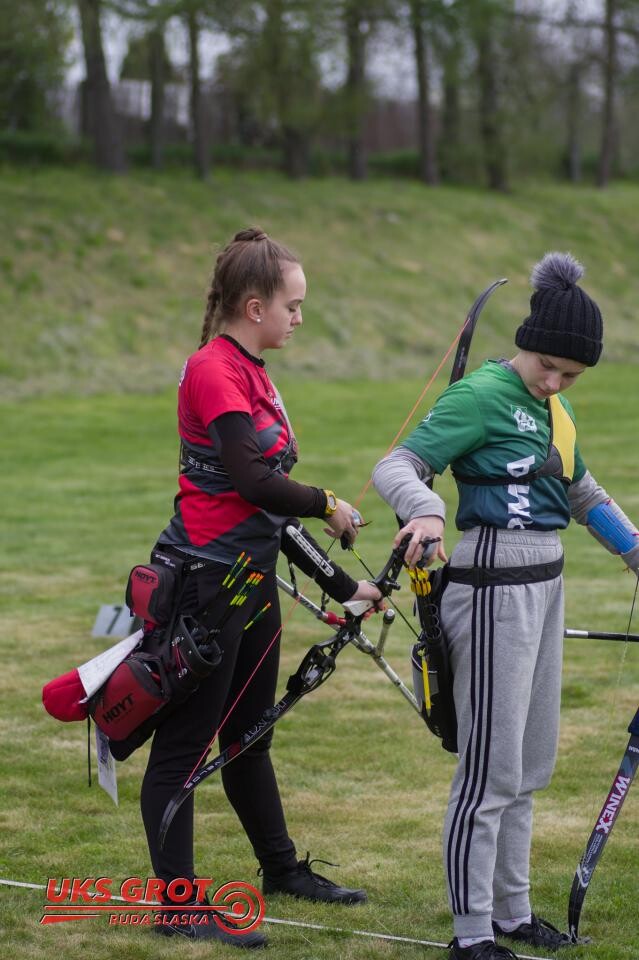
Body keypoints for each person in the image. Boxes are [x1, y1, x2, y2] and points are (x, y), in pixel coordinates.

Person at [372, 252, 639, 960]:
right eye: (547, 365)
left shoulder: (556, 408)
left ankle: (513, 915)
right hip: (490, 585)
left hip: (545, 585)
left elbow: (580, 492)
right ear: (524, 341)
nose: (554, 381)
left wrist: (634, 548)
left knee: (527, 765)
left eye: (569, 375)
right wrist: (425, 511)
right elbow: (395, 465)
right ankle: (470, 933)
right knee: (487, 772)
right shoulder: (482, 394)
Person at [143, 227, 382, 948]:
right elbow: (254, 482)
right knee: (182, 752)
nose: (299, 318)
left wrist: (344, 586)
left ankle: (279, 871)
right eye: (293, 305)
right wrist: (328, 503)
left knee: (249, 738)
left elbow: (266, 509)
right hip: (206, 588)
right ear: (254, 306)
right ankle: (178, 909)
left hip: (250, 583)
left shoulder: (256, 370)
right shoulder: (214, 370)